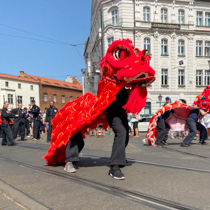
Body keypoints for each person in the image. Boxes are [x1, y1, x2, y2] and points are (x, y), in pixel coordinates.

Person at [64, 88, 130, 180]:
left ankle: (119, 158)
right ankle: (69, 161)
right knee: (76, 125)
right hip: (104, 107)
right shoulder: (111, 81)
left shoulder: (129, 87)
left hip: (119, 110)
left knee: (125, 133)